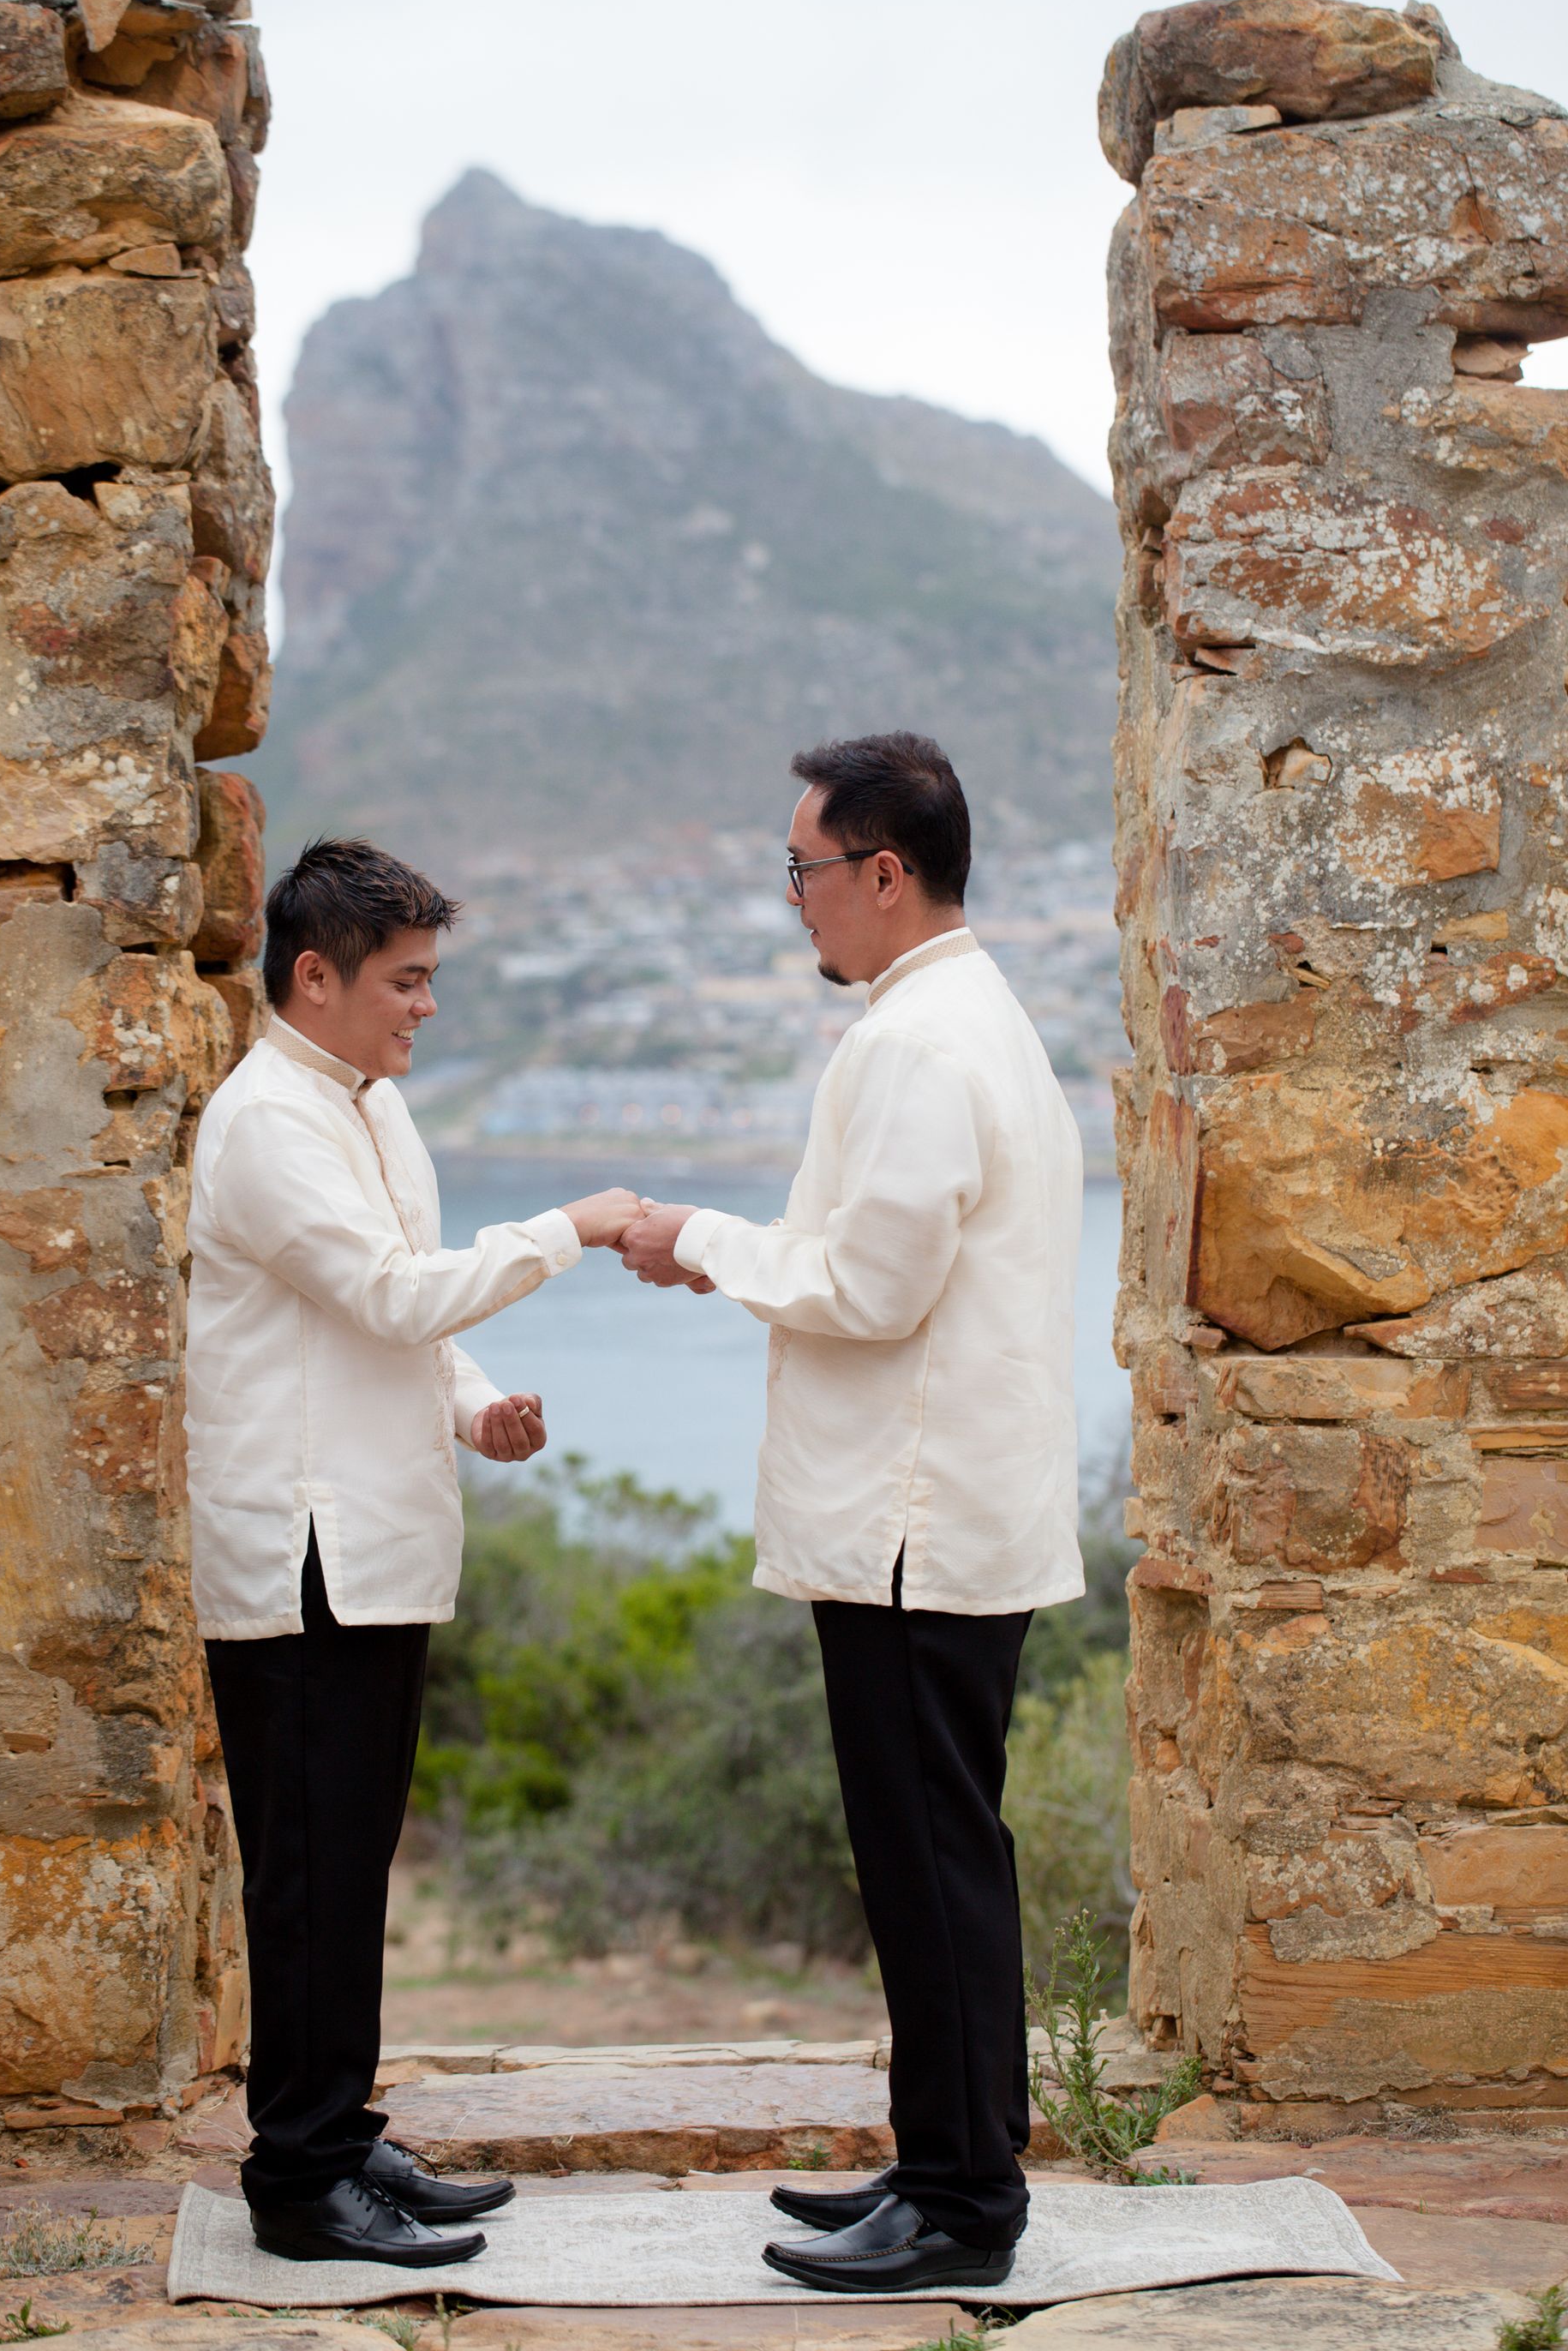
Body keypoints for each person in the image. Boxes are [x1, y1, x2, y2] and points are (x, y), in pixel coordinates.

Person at [619, 732, 1083, 2294]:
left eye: (808, 871)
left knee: (929, 1855)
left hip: (912, 1521)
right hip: (948, 1508)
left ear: (888, 874)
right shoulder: (970, 1016)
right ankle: (947, 2157)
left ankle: (963, 2206)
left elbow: (870, 1291)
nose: (796, 902)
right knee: (938, 1848)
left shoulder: (916, 1044)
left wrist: (700, 1239)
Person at [185, 837, 643, 2267]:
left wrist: (471, 1405)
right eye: (408, 979)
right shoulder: (269, 1121)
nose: (426, 1007)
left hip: (374, 1543)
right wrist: (568, 1227)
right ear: (314, 978)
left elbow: (402, 1329)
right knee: (309, 1873)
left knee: (351, 1860)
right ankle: (298, 2179)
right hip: (302, 1554)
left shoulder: (371, 1108)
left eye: (431, 978)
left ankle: (338, 2133)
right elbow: (386, 1292)